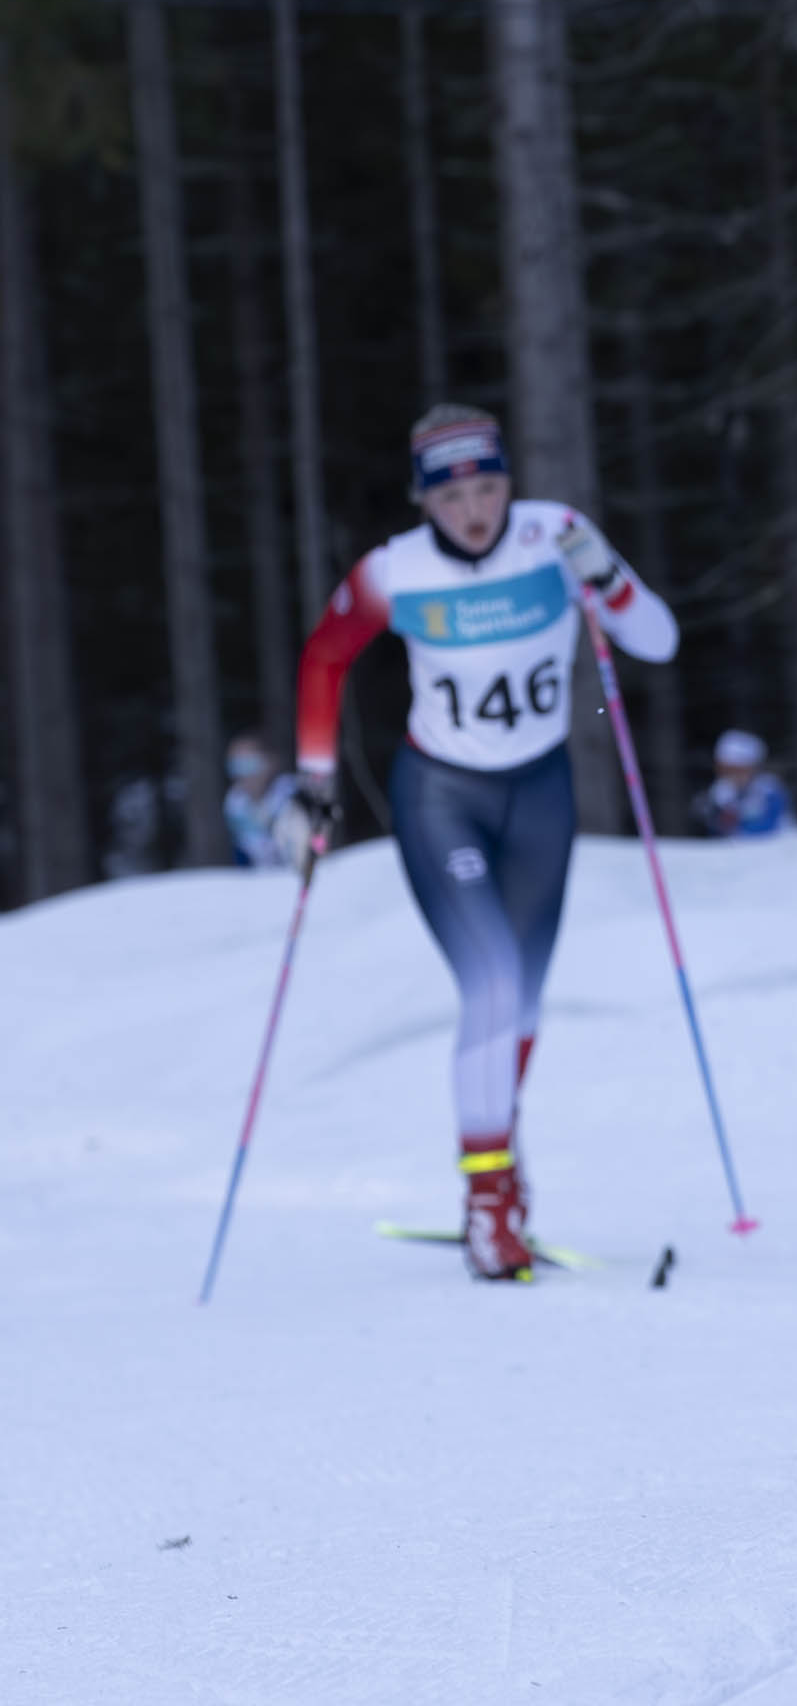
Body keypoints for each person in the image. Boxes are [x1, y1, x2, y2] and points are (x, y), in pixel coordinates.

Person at [292, 405, 681, 1279]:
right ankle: (489, 1199)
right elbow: (324, 656)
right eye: (455, 494)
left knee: (523, 1008)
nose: (475, 509)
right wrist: (315, 780)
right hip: (443, 796)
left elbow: (656, 640)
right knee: (492, 983)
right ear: (424, 500)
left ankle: (494, 1147)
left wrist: (605, 573)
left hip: (540, 795)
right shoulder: (395, 570)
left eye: (490, 486)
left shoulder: (556, 537)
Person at [696, 731, 797, 839]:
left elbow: (771, 827)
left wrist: (737, 822)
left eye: (738, 770)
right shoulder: (717, 793)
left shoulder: (770, 791)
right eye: (727, 770)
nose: (732, 775)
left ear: (753, 768)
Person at [222, 733, 304, 868]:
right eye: (235, 766)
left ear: (271, 762)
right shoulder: (235, 803)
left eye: (249, 765)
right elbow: (242, 851)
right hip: (262, 878)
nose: (242, 774)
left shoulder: (292, 793)